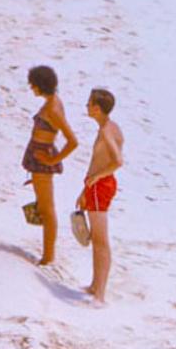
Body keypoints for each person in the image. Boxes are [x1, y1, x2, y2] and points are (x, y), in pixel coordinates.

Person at [22, 65, 79, 266]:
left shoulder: (53, 109)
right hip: (39, 156)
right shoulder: (52, 102)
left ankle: (48, 256)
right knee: (44, 206)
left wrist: (52, 161)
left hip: (42, 159)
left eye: (33, 84)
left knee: (47, 209)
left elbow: (73, 141)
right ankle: (48, 254)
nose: (31, 88)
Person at [77, 88, 123, 303]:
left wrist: (95, 179)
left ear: (97, 108)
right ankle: (95, 285)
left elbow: (117, 161)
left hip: (101, 185)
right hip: (98, 185)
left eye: (89, 103)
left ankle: (100, 294)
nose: (86, 107)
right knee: (97, 240)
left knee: (100, 241)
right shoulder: (110, 127)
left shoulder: (106, 131)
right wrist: (85, 190)